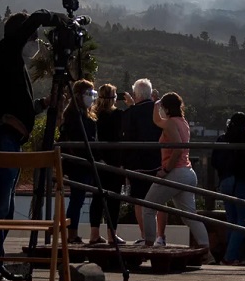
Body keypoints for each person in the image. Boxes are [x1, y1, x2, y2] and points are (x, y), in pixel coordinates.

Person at [0, 10, 57, 281]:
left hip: (7, 137)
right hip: (1, 136)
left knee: (4, 207)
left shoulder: (9, 63)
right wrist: (50, 17)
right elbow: (32, 20)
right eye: (32, 36)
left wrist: (42, 106)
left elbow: (17, 106)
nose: (35, 42)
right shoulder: (7, 52)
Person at [144, 92, 212, 262]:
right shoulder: (183, 122)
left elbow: (178, 149)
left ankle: (148, 248)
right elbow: (156, 121)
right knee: (190, 216)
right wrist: (156, 104)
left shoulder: (170, 124)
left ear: (166, 108)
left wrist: (166, 170)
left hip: (175, 172)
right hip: (188, 172)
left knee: (147, 207)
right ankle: (207, 251)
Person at [211, 112, 245, 265]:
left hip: (226, 181)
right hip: (244, 180)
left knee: (231, 220)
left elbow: (214, 161)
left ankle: (233, 256)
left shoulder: (222, 139)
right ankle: (230, 256)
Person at [121, 78, 167, 245]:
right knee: (160, 201)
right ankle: (160, 236)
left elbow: (125, 137)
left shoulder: (131, 113)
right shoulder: (159, 111)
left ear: (135, 95)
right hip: (159, 161)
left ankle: (145, 236)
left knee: (139, 200)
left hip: (137, 164)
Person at [60, 79, 104, 244]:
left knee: (86, 197)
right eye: (88, 94)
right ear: (78, 95)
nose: (91, 97)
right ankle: (72, 234)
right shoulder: (73, 115)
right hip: (78, 163)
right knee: (77, 199)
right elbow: (75, 139)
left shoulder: (87, 115)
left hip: (88, 161)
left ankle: (76, 233)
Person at [93, 83, 127, 245]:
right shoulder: (118, 114)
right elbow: (121, 137)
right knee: (113, 200)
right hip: (114, 162)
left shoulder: (94, 114)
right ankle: (112, 235)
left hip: (98, 161)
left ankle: (94, 234)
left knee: (97, 197)